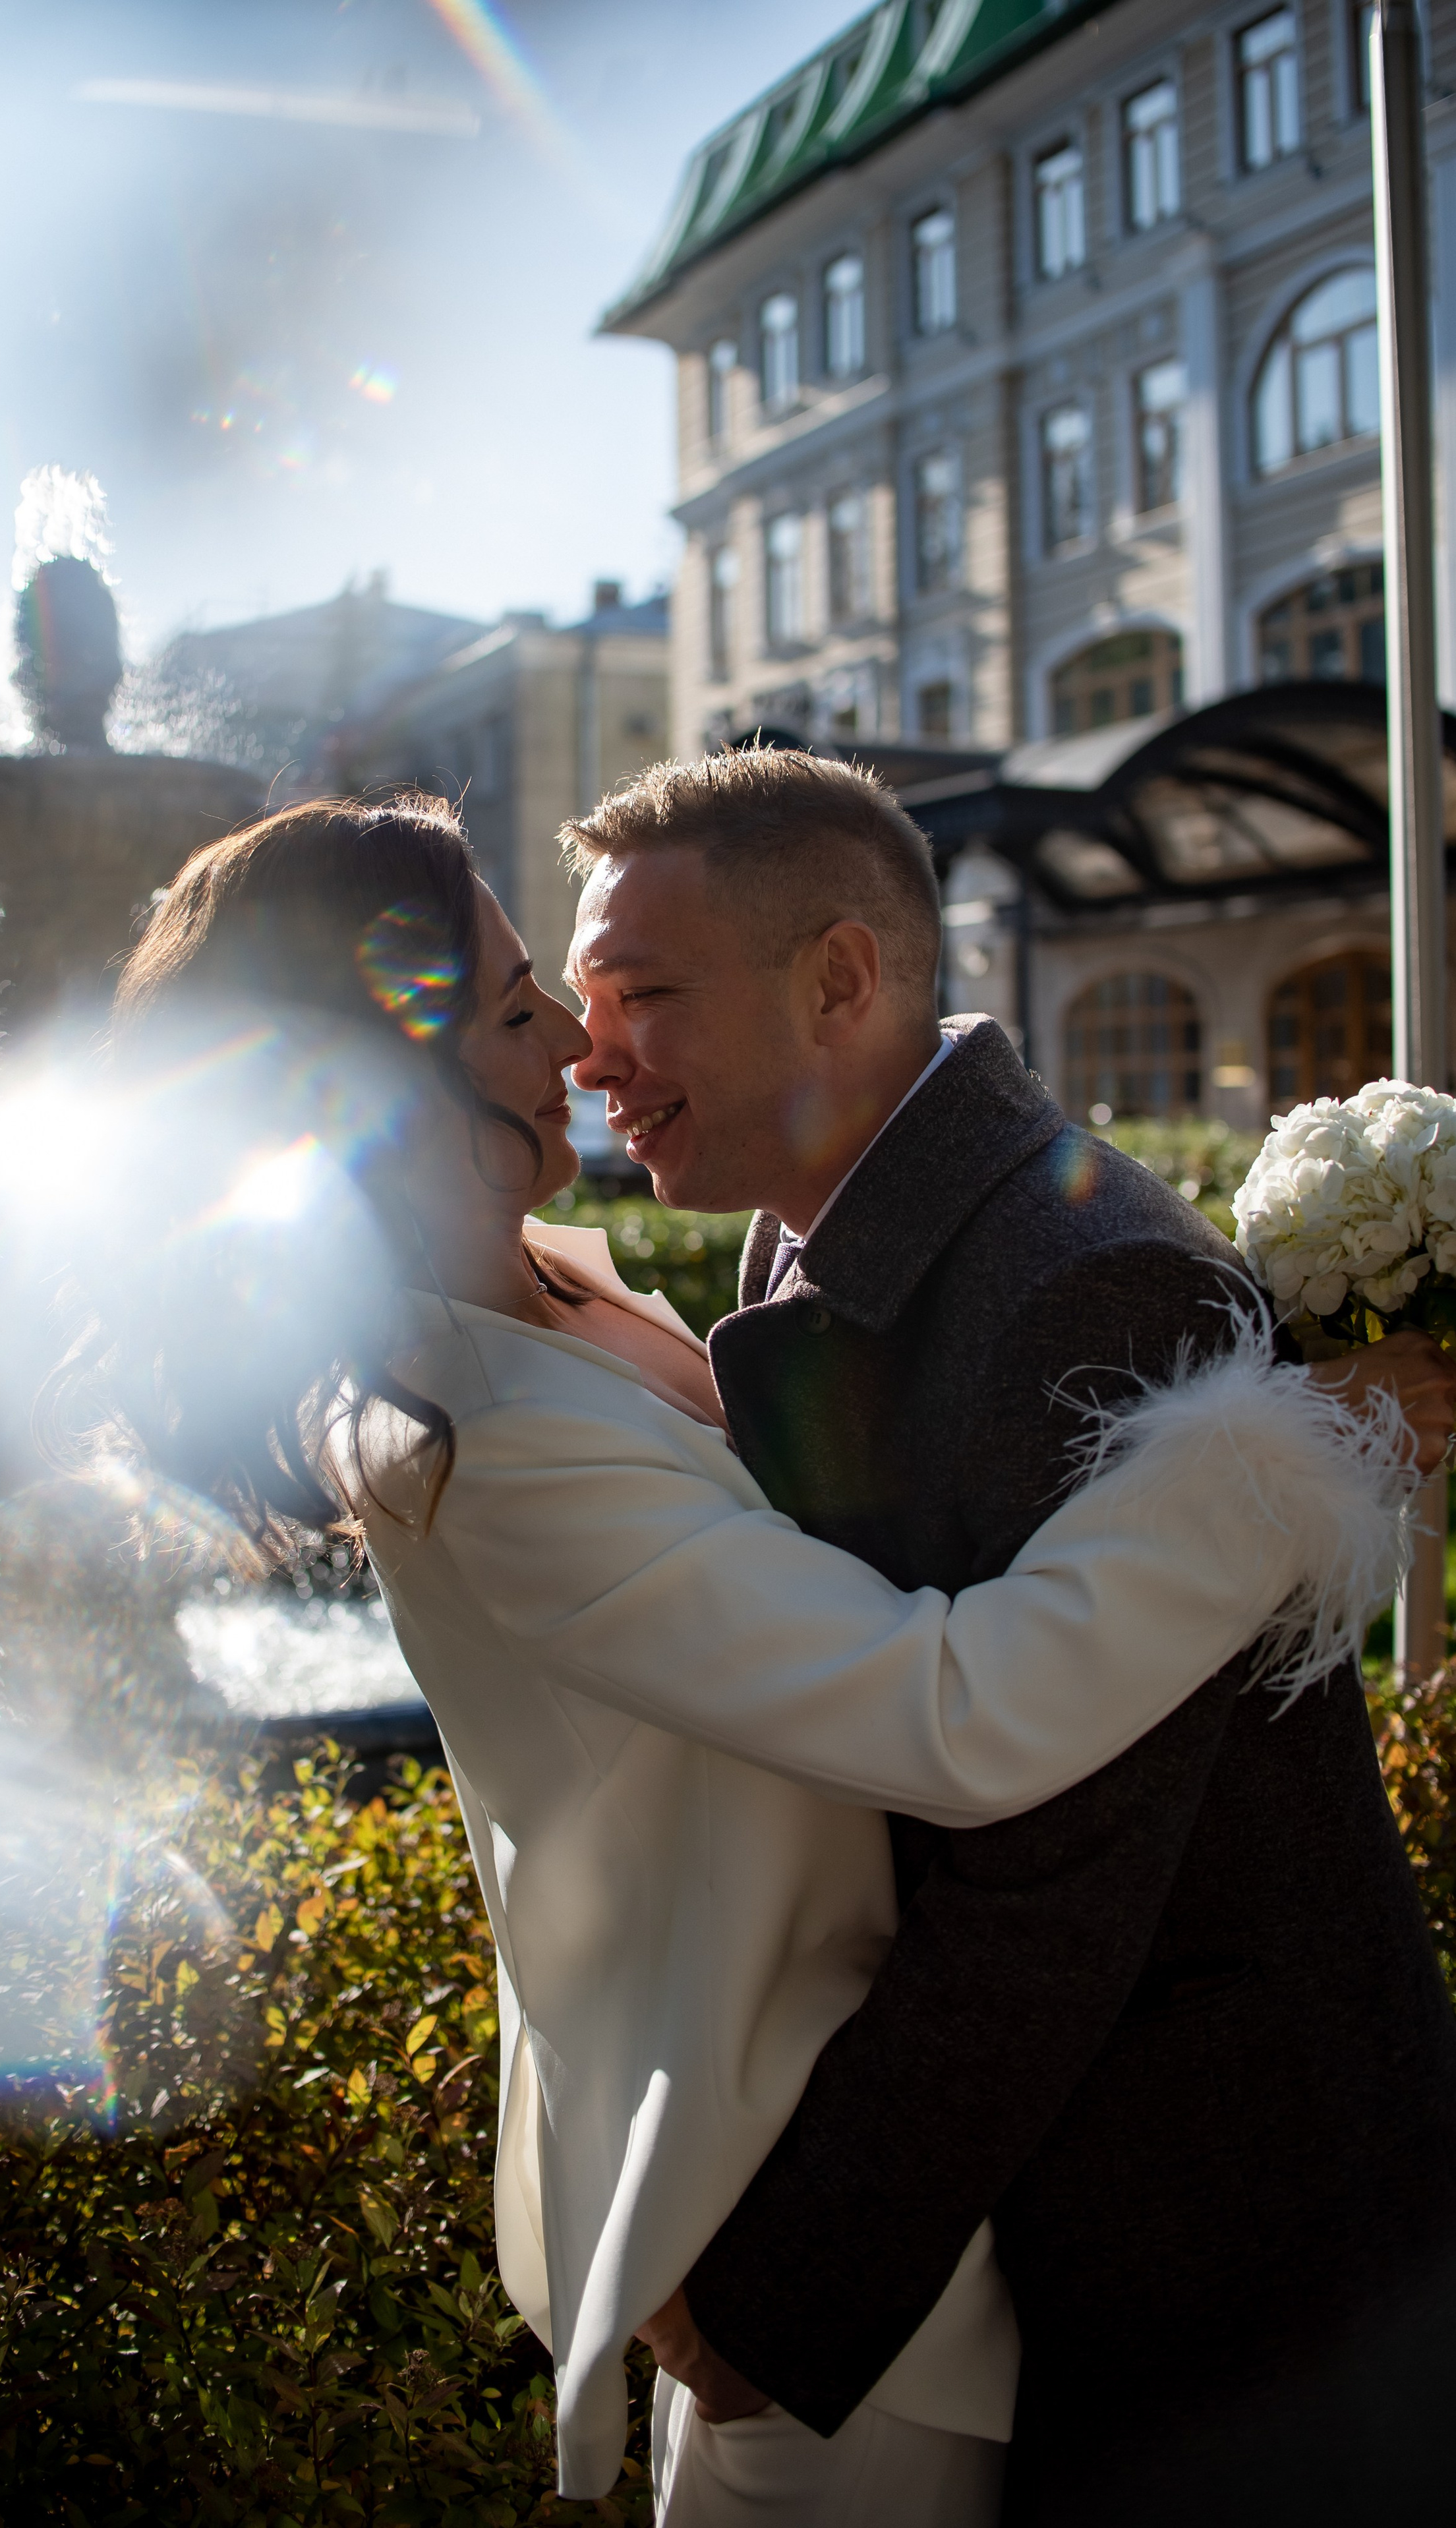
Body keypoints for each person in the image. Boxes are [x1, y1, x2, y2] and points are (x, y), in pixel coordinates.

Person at [55, 794, 1449, 2525]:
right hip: (780, 2198)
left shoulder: (561, 1282)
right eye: (521, 1005)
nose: (578, 1038)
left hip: (927, 2224)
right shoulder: (472, 1434)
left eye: (613, 987)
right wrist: (1284, 1443)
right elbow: (948, 1715)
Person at [562, 747, 1456, 2526]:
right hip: (1103, 2206)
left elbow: (1053, 1880)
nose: (595, 1060)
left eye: (643, 996)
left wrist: (778, 2295)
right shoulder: (816, 1230)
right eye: (578, 1010)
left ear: (841, 976)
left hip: (1227, 2241)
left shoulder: (1084, 1275)